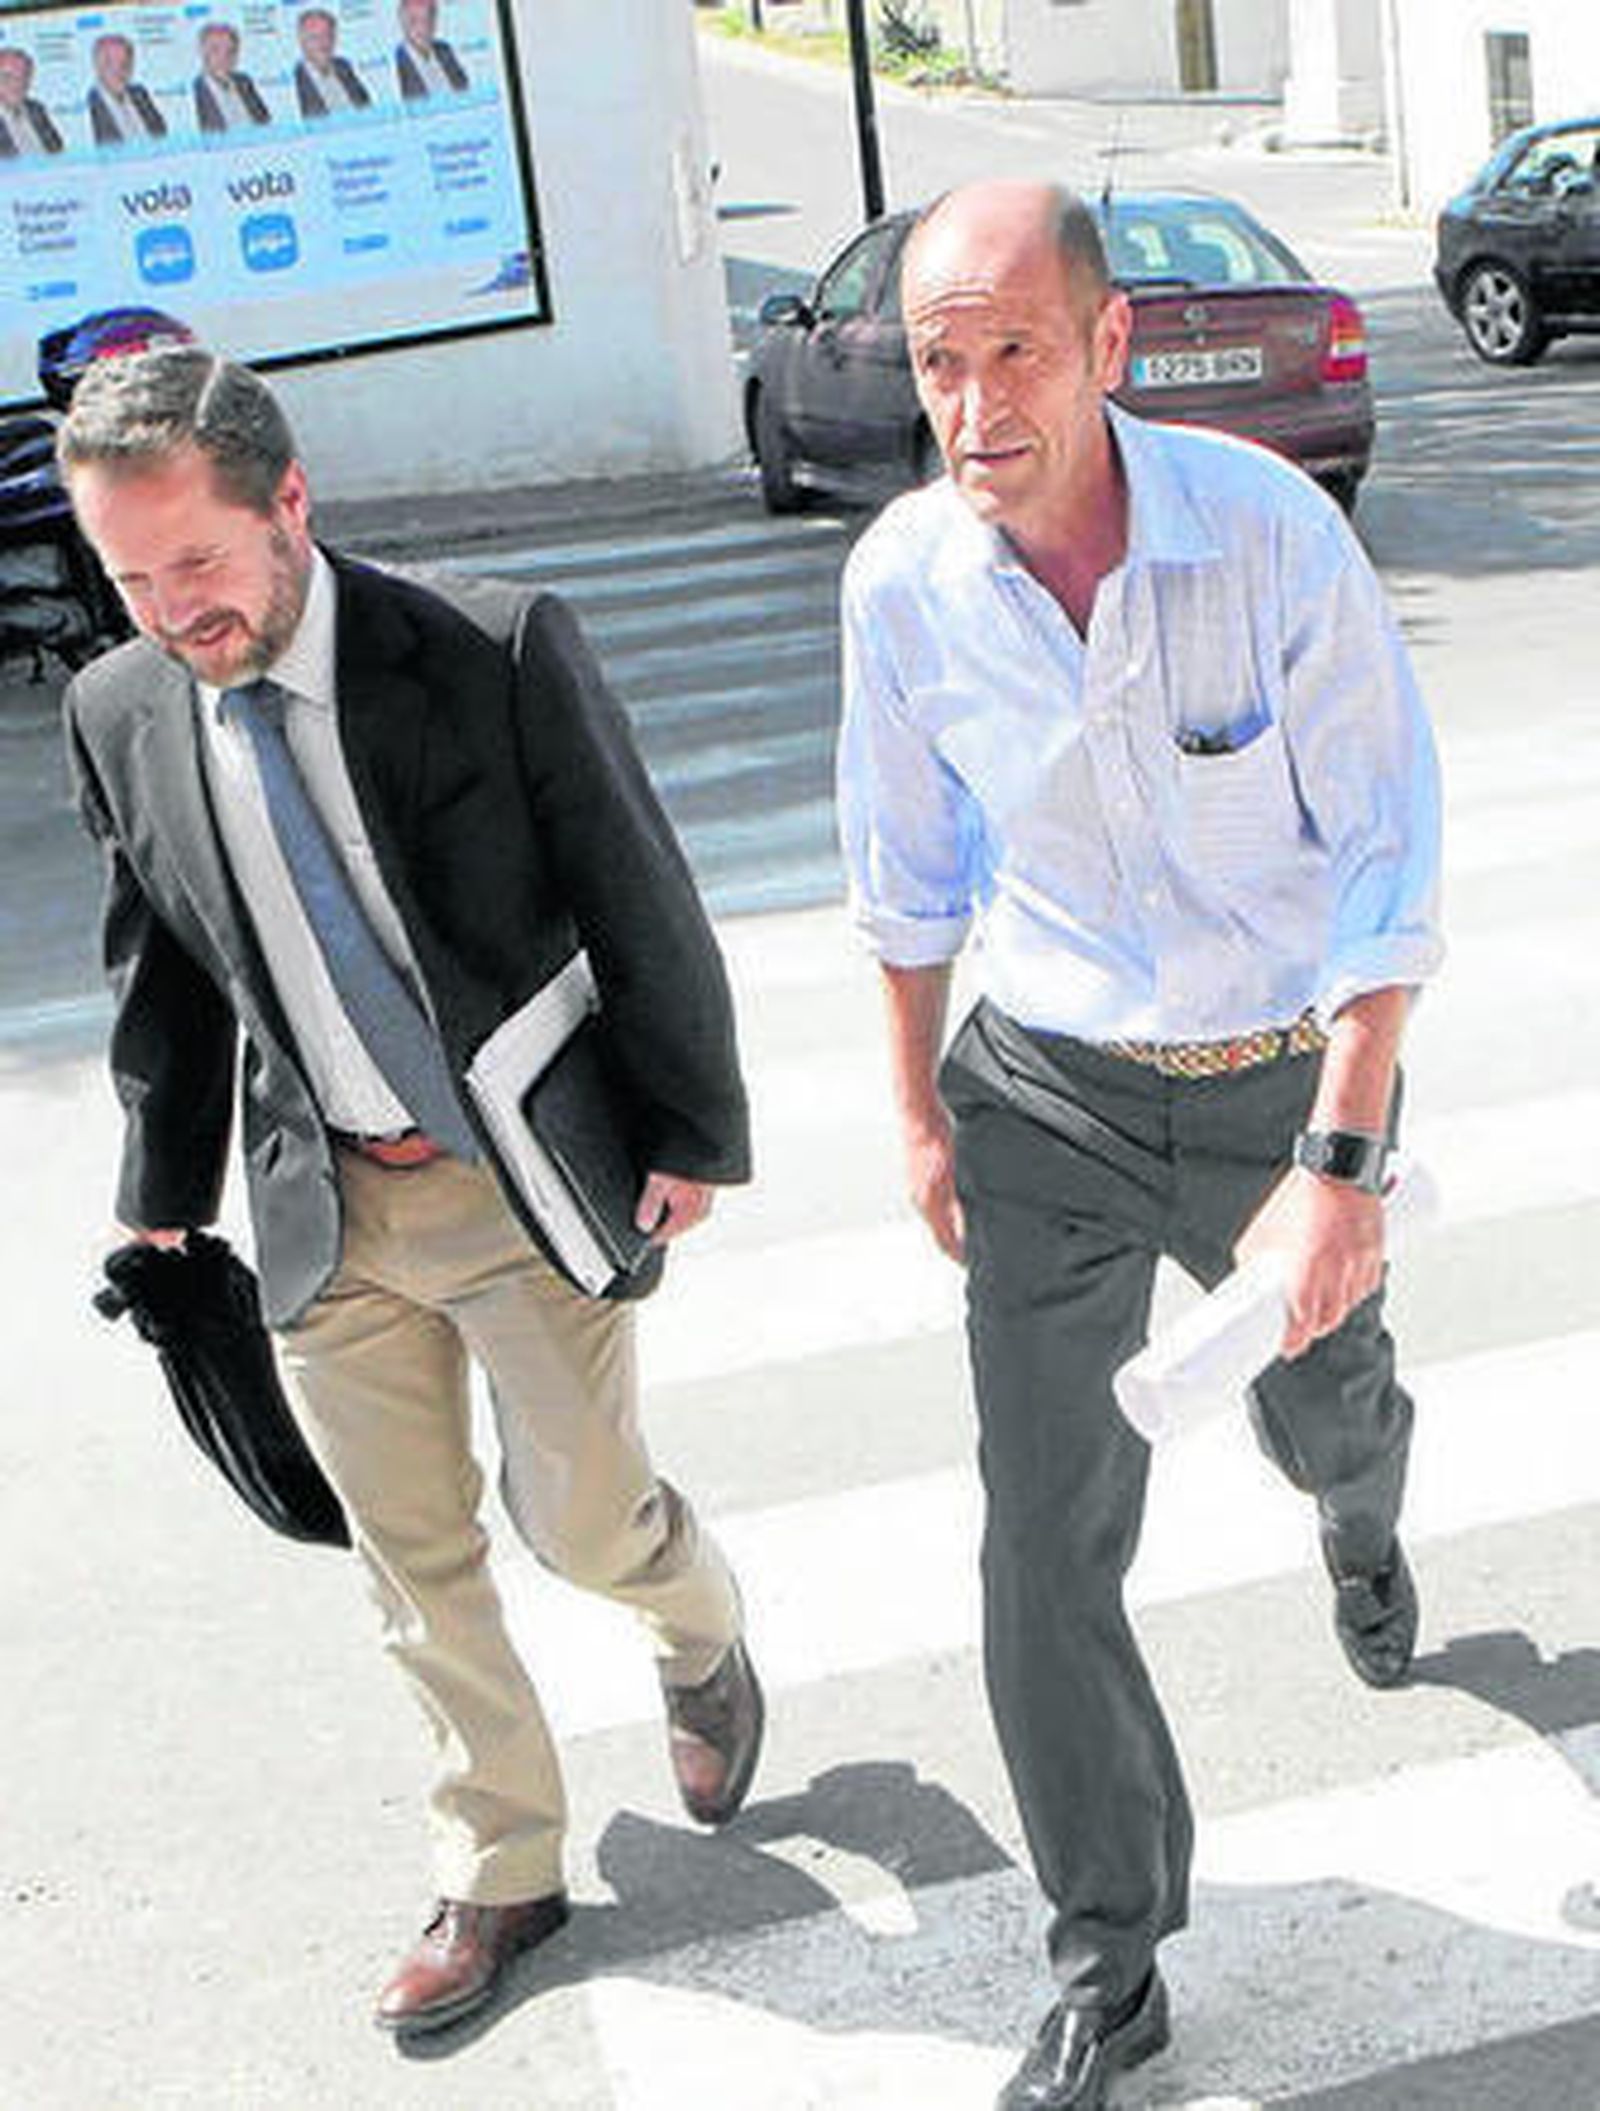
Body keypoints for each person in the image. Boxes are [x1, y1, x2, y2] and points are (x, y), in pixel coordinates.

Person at [60, 349, 764, 2037]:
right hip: (322, 1201)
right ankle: (503, 1859)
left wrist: (689, 1128)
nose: (173, 612)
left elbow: (632, 885)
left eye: (201, 567)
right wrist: (162, 1194)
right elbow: (160, 955)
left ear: (289, 504)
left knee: (585, 1520)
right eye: (131, 578)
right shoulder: (121, 711)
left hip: (514, 1180)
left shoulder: (487, 646)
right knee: (410, 1557)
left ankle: (699, 1626)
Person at [837, 180, 1442, 2111]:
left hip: (1285, 1082)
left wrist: (1338, 1168)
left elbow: (1383, 867)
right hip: (1054, 1099)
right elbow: (909, 873)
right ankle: (1113, 1960)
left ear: (1109, 346)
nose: (974, 398)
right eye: (940, 359)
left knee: (1324, 1405)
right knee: (1041, 1538)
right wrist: (923, 1104)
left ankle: (1361, 1509)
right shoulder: (904, 582)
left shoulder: (1265, 537)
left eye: (1014, 347)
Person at [87, 33, 168, 146]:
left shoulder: (140, 94)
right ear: (98, 67)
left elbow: (162, 133)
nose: (119, 72)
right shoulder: (90, 104)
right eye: (110, 64)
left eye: (124, 64)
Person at [192, 22, 271, 132]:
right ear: (202, 52)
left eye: (230, 51)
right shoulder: (195, 90)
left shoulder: (244, 82)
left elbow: (265, 121)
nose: (223, 58)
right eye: (215, 50)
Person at [293, 9, 371, 120]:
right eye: (315, 37)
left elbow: (366, 106)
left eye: (327, 35)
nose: (323, 44)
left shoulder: (344, 67)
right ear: (302, 42)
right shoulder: (295, 80)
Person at [394, 0, 467, 100]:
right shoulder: (396, 62)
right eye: (413, 21)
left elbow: (464, 90)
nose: (422, 28)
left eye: (426, 20)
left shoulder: (445, 50)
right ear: (403, 22)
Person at [0, 46, 63, 156]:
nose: (16, 84)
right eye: (7, 76)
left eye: (22, 76)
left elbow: (58, 152)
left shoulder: (37, 110)